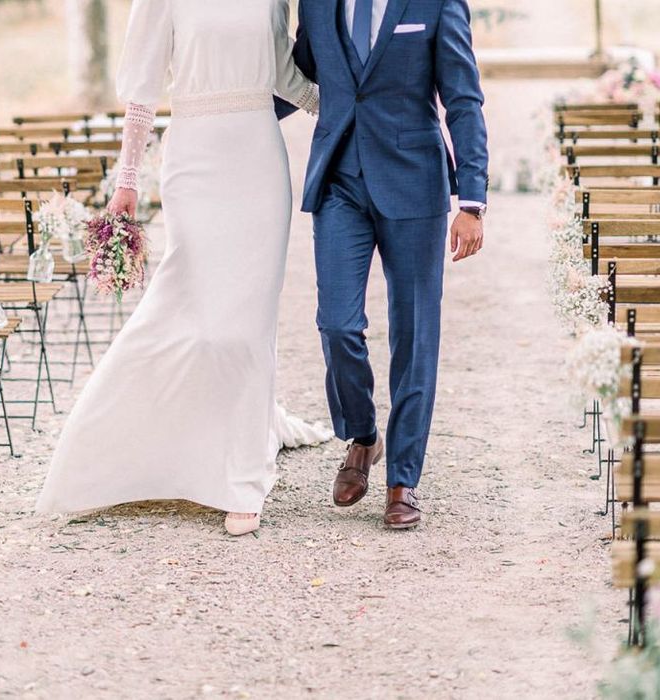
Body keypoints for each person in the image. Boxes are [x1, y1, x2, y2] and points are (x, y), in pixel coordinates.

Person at [36, 0, 331, 536]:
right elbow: (144, 92)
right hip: (194, 162)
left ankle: (242, 477)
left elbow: (284, 74)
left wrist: (356, 105)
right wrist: (126, 181)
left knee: (246, 328)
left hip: (259, 163)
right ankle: (111, 448)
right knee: (194, 316)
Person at [277, 0, 489, 529]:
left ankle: (403, 479)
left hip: (414, 183)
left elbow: (463, 99)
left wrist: (471, 201)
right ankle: (363, 436)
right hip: (339, 182)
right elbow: (295, 79)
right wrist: (219, 107)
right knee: (337, 323)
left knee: (415, 334)